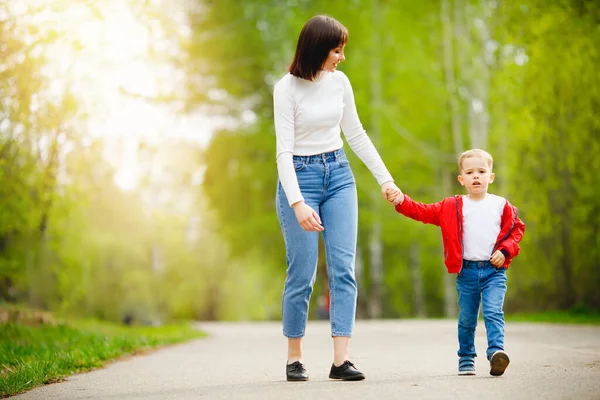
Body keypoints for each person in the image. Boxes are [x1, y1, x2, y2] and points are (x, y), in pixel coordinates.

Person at [273, 15, 401, 382]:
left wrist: (385, 179)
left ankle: (340, 360)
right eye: (337, 50)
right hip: (299, 178)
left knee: (344, 270)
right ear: (317, 49)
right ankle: (294, 358)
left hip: (339, 175)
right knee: (302, 273)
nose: (342, 57)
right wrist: (297, 202)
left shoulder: (340, 83)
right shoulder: (286, 88)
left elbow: (356, 134)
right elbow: (283, 152)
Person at [387, 149, 525, 377]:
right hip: (467, 271)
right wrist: (401, 200)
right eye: (470, 172)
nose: (476, 176)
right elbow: (422, 212)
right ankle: (467, 358)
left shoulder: (501, 205)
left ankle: (496, 353)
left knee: (492, 312)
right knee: (468, 318)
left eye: (481, 171)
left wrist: (505, 250)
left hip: (494, 270)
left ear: (491, 176)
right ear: (461, 179)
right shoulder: (451, 206)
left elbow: (517, 230)